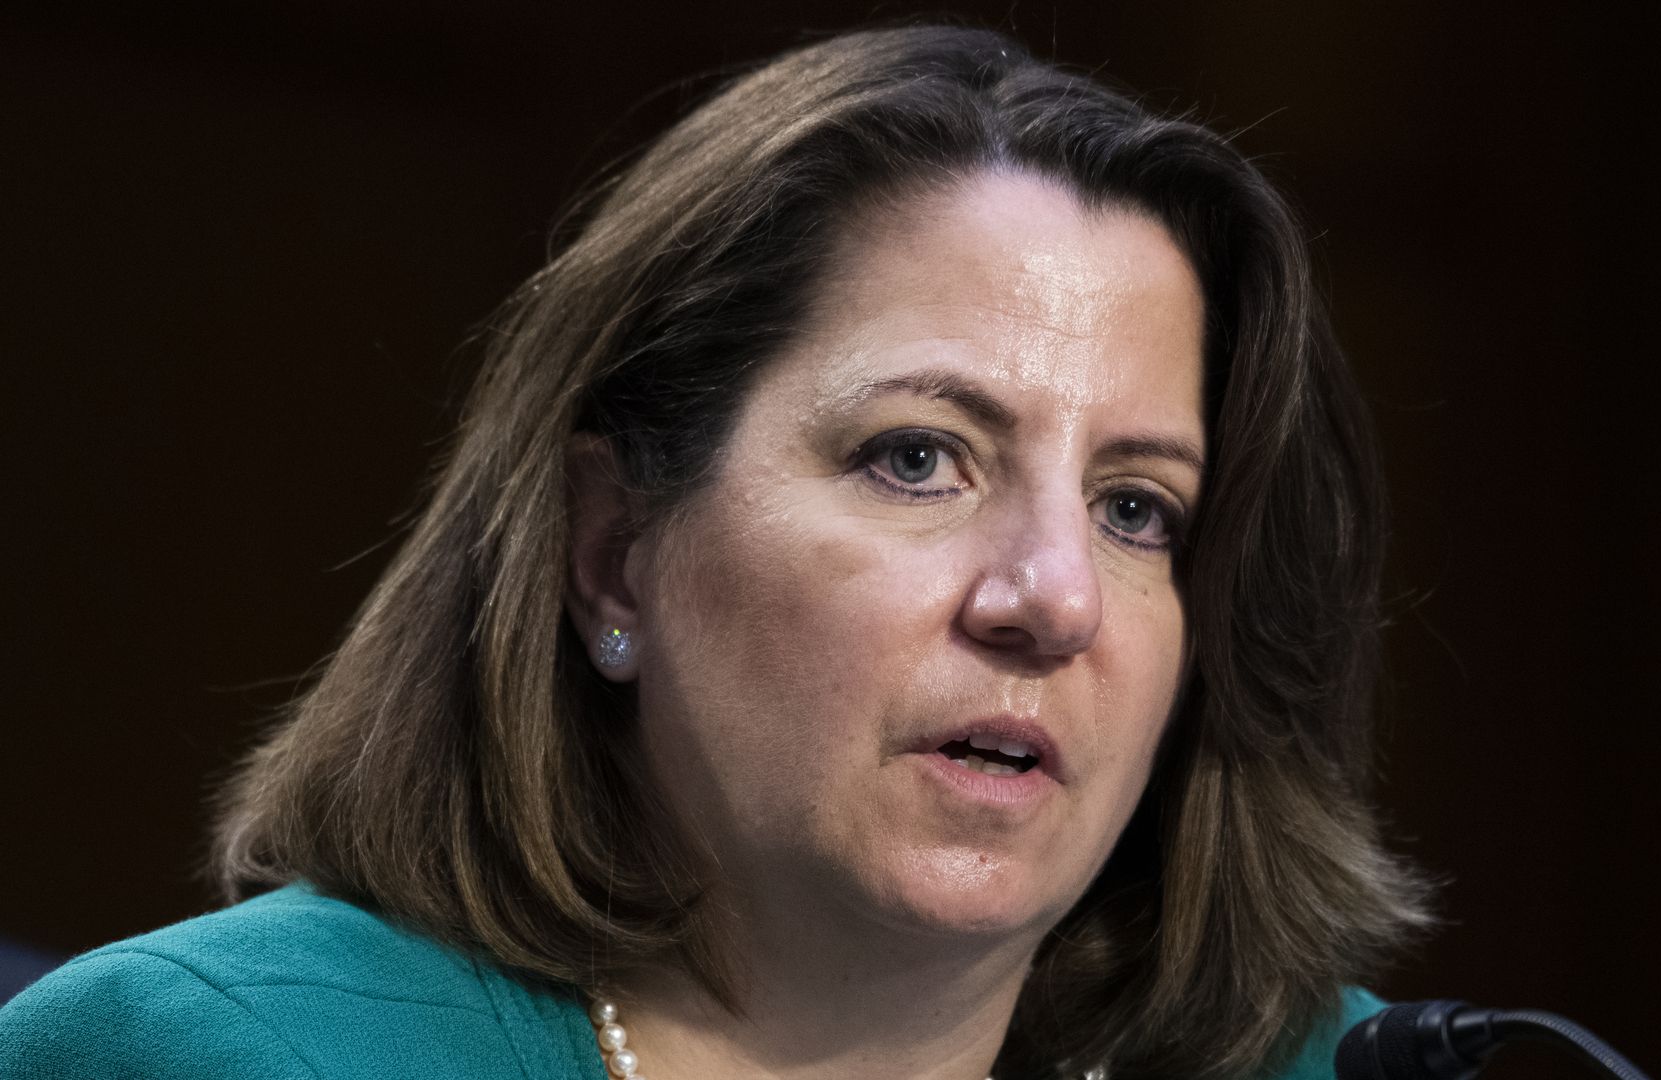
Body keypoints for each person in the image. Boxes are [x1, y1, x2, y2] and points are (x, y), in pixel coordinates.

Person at [0, 25, 1427, 1080]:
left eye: (1137, 510)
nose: (1051, 598)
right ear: (615, 552)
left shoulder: (1356, 1073)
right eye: (918, 458)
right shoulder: (226, 1056)